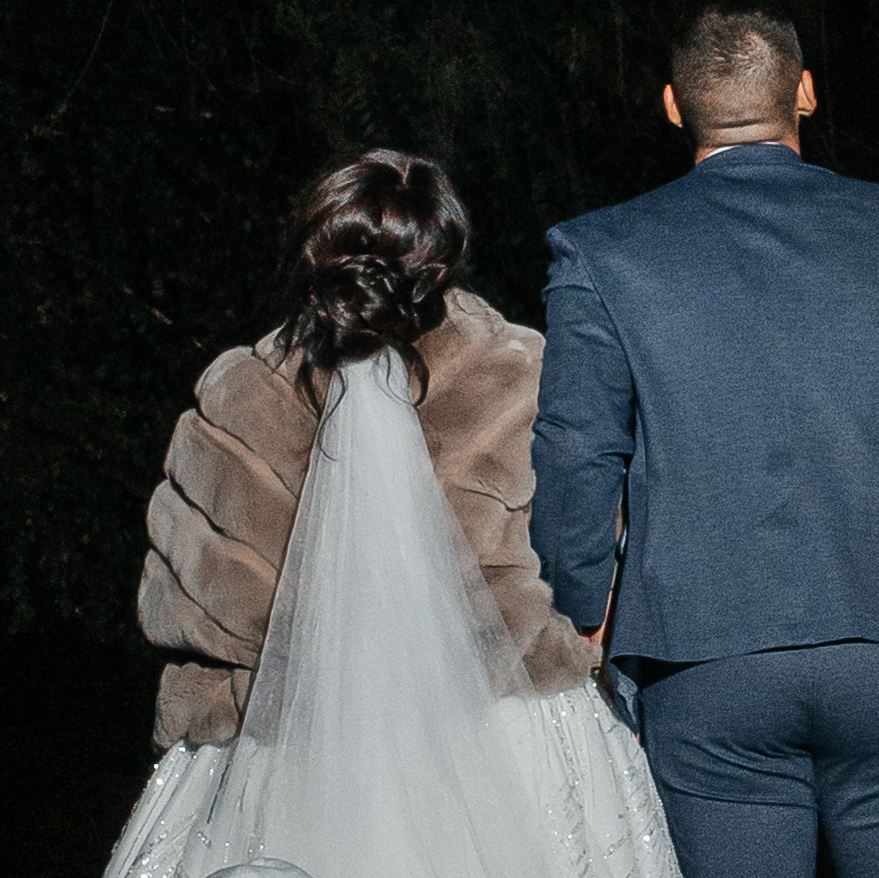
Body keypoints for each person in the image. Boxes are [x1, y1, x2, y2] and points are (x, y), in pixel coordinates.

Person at [531, 0, 879, 878]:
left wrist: (584, 612)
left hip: (704, 654)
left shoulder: (602, 251)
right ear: (804, 93)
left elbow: (578, 453)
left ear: (673, 106)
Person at [102, 147, 682, 878]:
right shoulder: (526, 376)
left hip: (283, 744)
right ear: (448, 259)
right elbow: (592, 548)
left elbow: (188, 605)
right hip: (512, 732)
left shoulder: (237, 396)